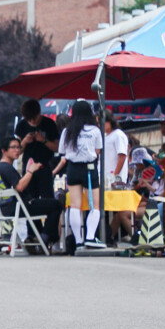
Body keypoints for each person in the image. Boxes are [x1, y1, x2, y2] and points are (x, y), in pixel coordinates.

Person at [0, 136, 62, 246]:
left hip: (8, 207)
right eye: (13, 147)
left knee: (40, 204)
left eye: (19, 147)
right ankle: (45, 237)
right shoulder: (6, 167)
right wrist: (31, 171)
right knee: (56, 204)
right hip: (18, 207)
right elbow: (19, 186)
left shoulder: (0, 167)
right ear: (4, 150)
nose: (17, 150)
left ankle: (36, 236)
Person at [52, 100, 103, 251]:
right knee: (95, 205)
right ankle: (90, 237)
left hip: (73, 169)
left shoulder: (67, 131)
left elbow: (63, 151)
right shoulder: (94, 130)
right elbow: (98, 150)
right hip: (89, 168)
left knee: (74, 206)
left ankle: (78, 241)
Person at [15, 99, 60, 200]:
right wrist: (25, 141)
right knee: (30, 198)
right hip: (28, 167)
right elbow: (17, 151)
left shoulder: (49, 124)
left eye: (34, 118)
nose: (32, 121)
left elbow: (57, 148)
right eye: (29, 119)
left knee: (47, 198)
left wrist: (43, 140)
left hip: (45, 165)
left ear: (39, 113)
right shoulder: (22, 125)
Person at [103, 112, 129, 187]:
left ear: (109, 121)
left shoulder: (118, 135)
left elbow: (122, 156)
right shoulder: (104, 136)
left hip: (116, 180)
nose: (100, 125)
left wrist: (115, 176)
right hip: (105, 178)